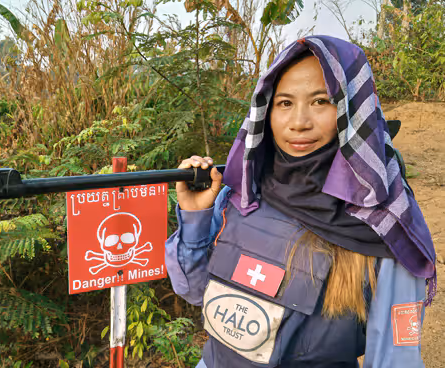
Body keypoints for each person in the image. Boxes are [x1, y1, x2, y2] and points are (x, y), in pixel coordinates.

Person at [165, 36, 436, 368]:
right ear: (266, 109)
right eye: (285, 103)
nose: (299, 122)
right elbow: (194, 291)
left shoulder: (386, 222)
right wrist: (194, 216)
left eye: (321, 101)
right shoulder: (244, 192)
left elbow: (395, 360)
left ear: (353, 108)